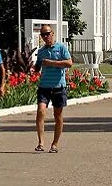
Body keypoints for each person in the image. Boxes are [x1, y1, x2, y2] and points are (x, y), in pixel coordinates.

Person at [33, 24, 72, 152]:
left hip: (58, 86)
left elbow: (69, 63)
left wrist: (52, 63)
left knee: (58, 115)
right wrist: (34, 69)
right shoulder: (41, 51)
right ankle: (41, 143)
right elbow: (38, 66)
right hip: (44, 86)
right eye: (43, 34)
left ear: (52, 33)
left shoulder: (61, 48)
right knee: (40, 111)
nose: (46, 36)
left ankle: (55, 144)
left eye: (47, 33)